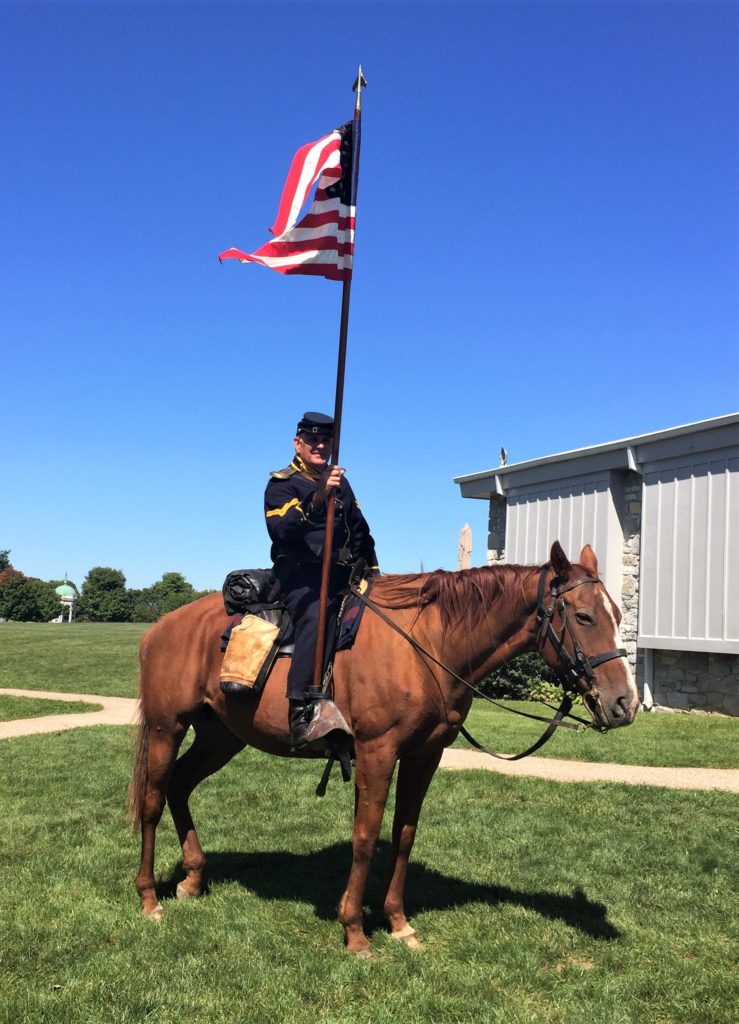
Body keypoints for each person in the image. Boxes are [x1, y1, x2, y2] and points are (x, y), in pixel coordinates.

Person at [265, 412, 378, 750]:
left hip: (345, 575)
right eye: (311, 440)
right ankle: (302, 711)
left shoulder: (340, 482)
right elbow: (282, 529)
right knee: (317, 614)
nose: (319, 445)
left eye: (325, 440)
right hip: (302, 576)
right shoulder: (282, 483)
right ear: (297, 444)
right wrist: (318, 496)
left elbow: (359, 529)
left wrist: (373, 572)